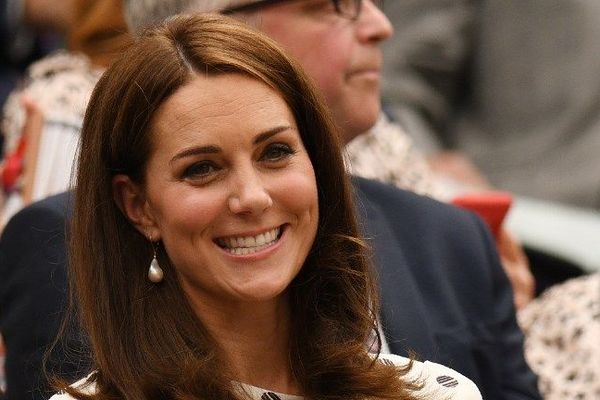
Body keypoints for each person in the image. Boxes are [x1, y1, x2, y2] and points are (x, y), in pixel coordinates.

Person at [0, 1, 541, 399]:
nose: (252, 197)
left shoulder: (436, 392)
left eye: (277, 153)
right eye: (202, 169)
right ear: (138, 206)